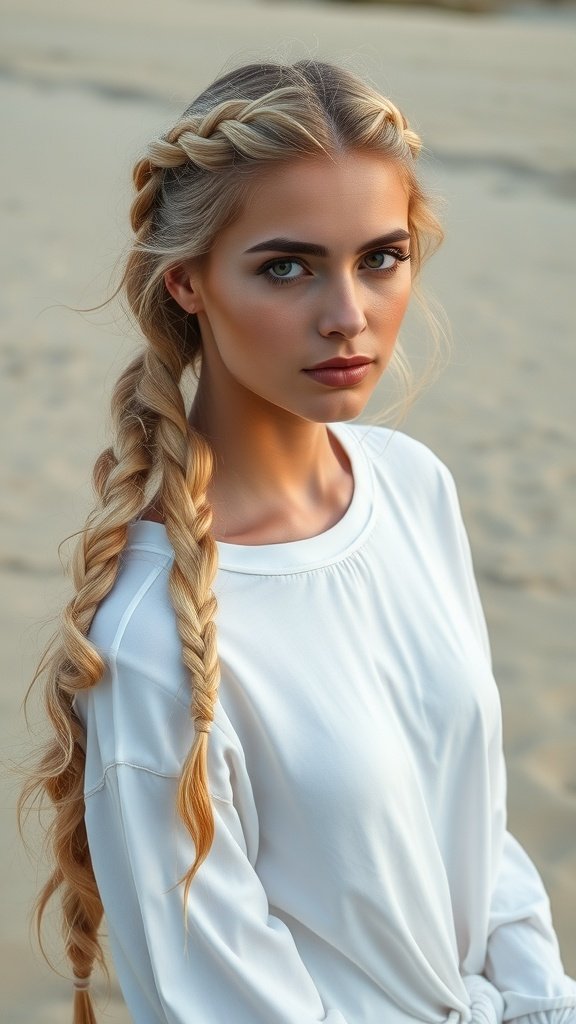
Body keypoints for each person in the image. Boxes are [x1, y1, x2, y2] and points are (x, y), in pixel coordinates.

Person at [20, 59, 575, 1024]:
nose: (347, 316)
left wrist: (539, 1000)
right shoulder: (155, 640)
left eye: (381, 258)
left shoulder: (411, 486)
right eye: (287, 265)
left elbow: (473, 826)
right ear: (187, 282)